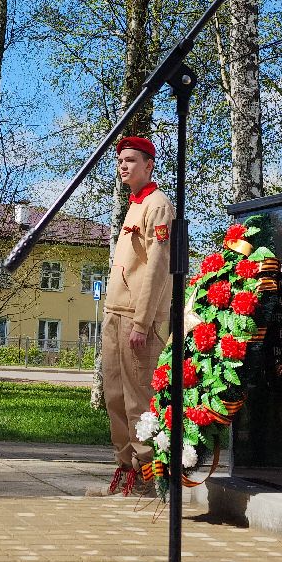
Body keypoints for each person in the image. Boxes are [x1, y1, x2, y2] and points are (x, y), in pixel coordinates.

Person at [101, 136, 174, 497]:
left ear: (149, 165)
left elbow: (159, 268)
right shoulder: (134, 204)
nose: (124, 166)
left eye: (131, 160)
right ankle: (126, 468)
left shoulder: (158, 205)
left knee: (139, 399)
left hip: (137, 320)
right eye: (120, 160)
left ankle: (147, 474)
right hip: (115, 313)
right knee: (114, 395)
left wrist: (144, 323)